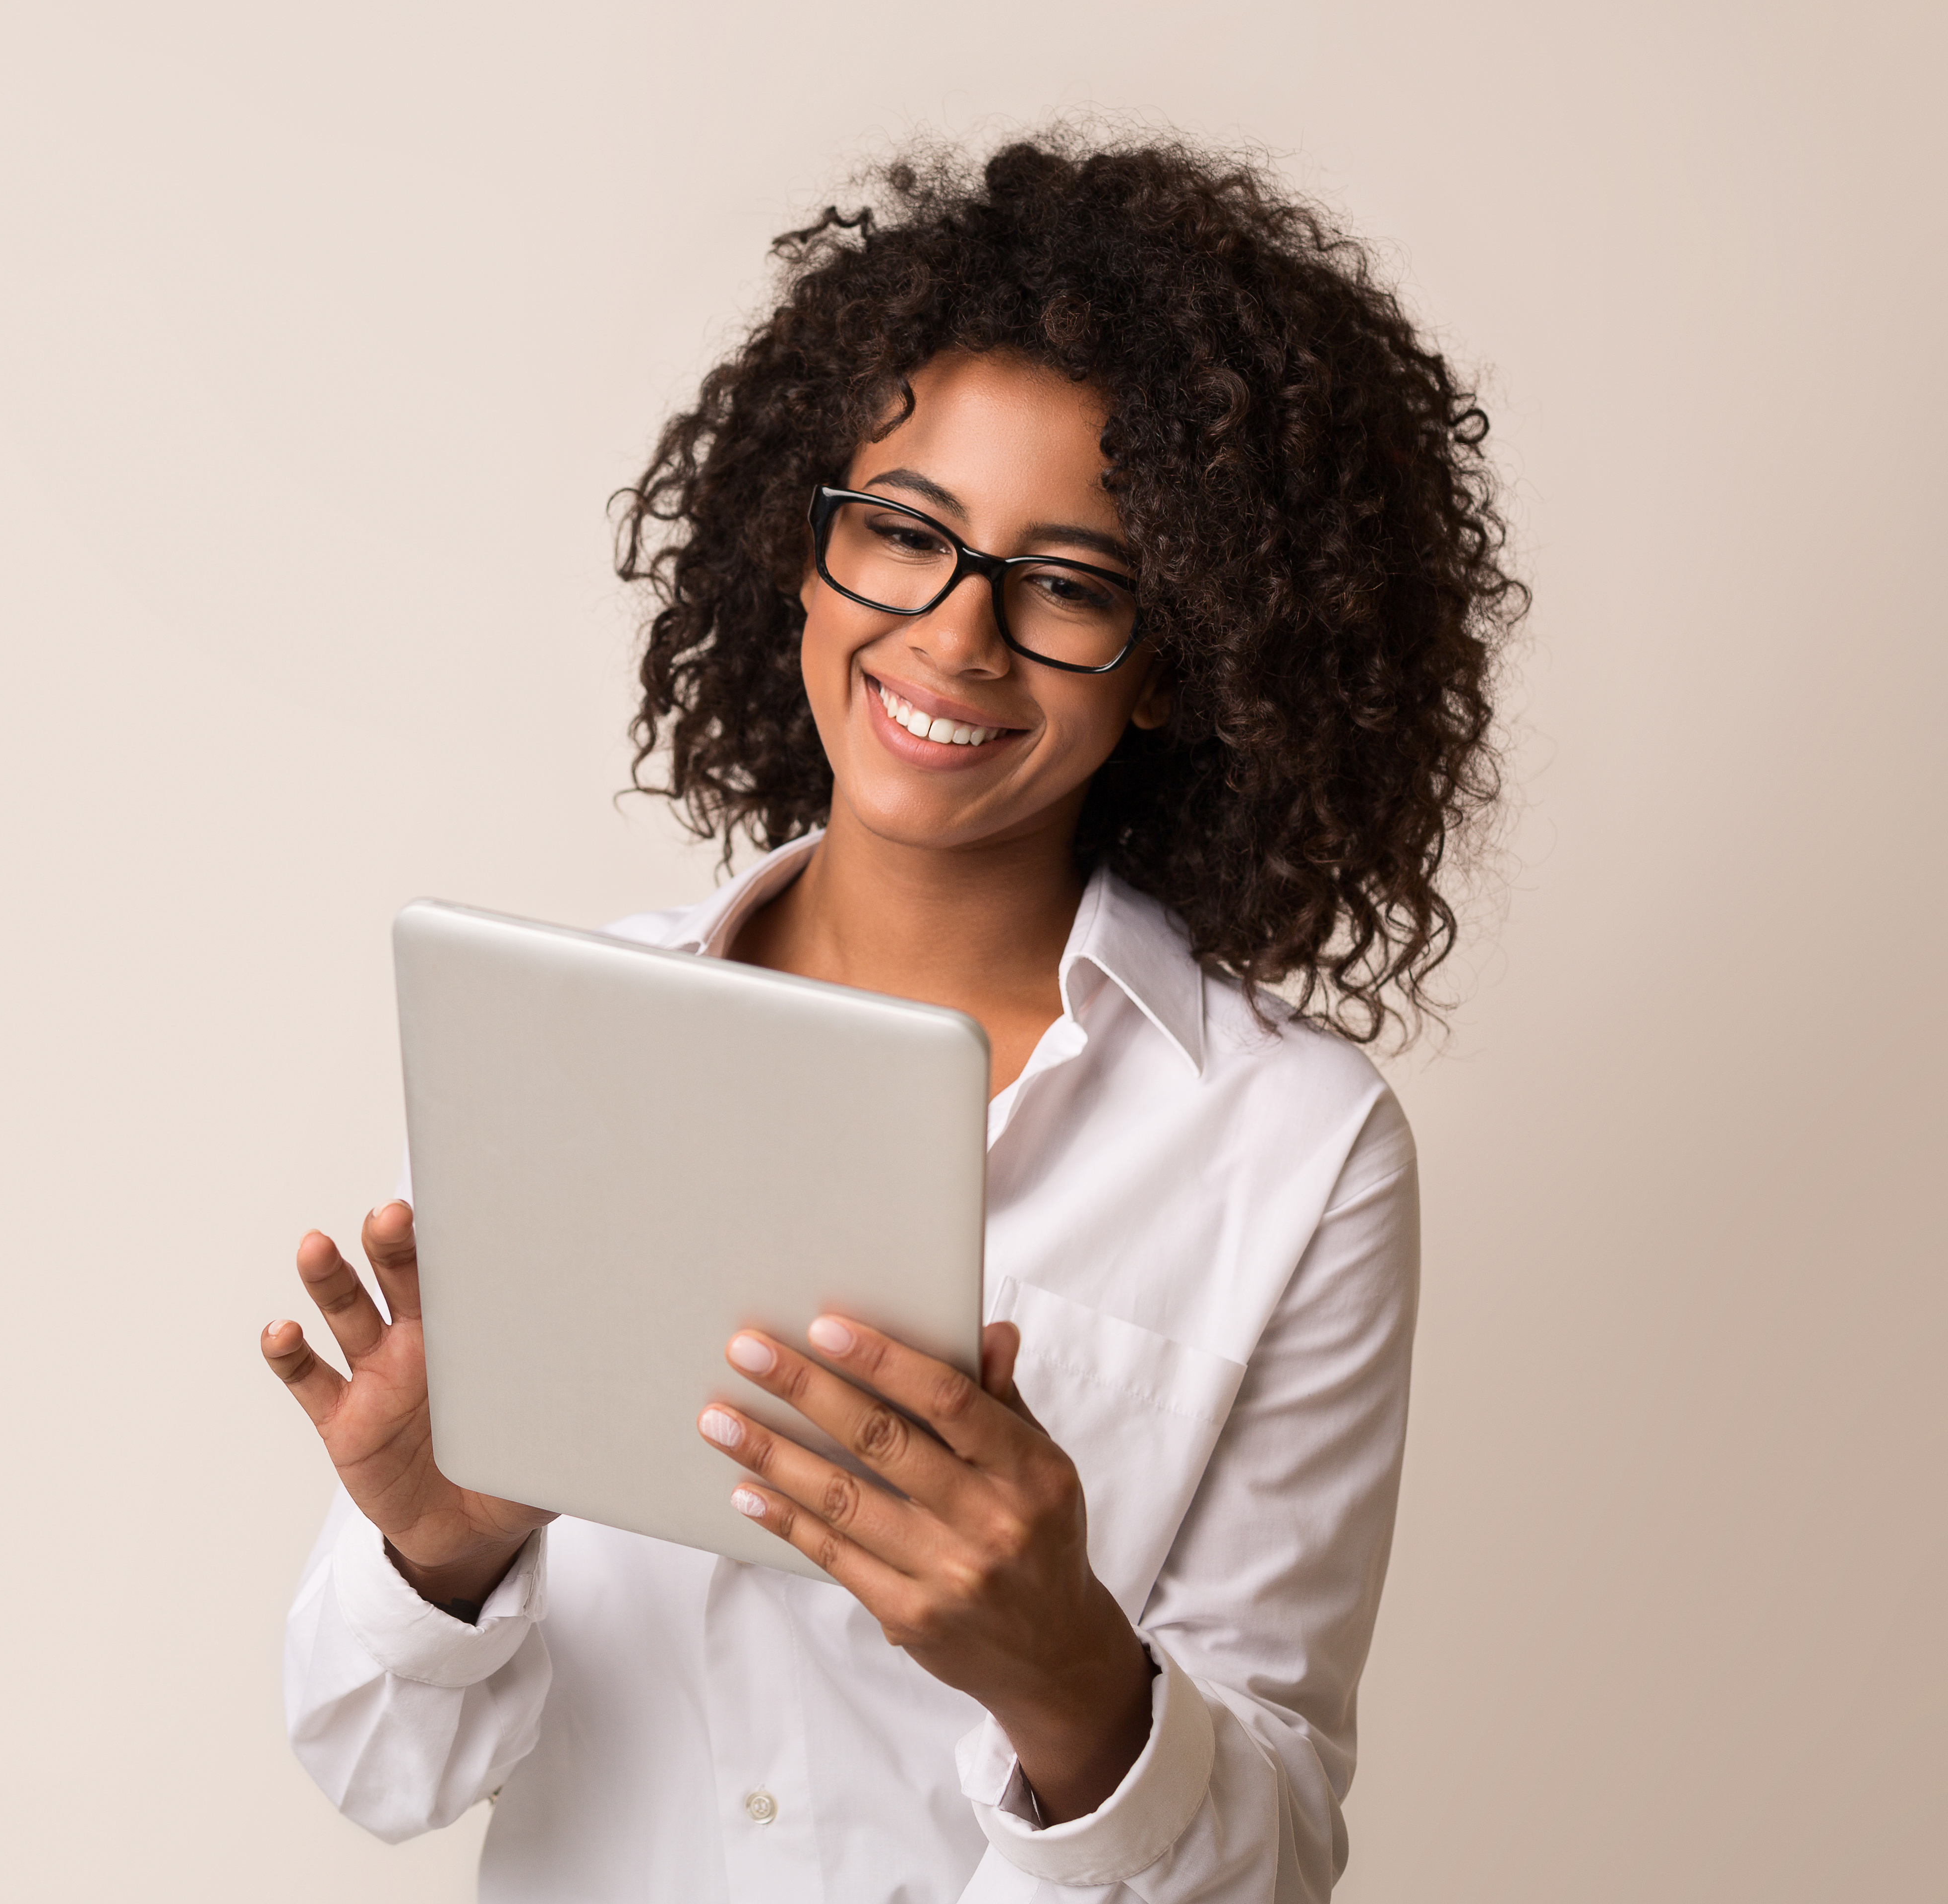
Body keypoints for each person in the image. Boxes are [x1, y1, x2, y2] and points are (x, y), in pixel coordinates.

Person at [259, 132, 1517, 1903]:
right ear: (803, 550)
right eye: (905, 534)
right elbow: (373, 1764)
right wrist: (436, 1549)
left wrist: (1070, 1676)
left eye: (1071, 583)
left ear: (1184, 661)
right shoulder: (563, 1038)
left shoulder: (1294, 1148)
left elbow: (1274, 1854)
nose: (956, 636)